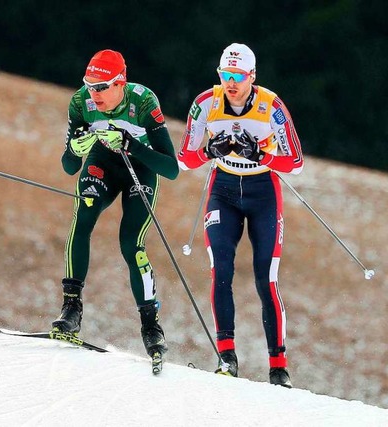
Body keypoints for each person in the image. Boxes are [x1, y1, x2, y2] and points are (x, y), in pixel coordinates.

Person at [177, 43, 304, 387]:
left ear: (252, 77)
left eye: (238, 76)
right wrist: (208, 150)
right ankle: (227, 356)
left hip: (264, 193)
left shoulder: (271, 106)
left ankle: (278, 366)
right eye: (225, 76)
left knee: (266, 279)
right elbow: (185, 160)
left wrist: (261, 156)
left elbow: (294, 163)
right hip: (224, 192)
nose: (231, 83)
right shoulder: (206, 103)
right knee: (221, 270)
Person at [52, 49, 179, 366]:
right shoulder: (81, 102)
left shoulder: (143, 101)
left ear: (120, 83)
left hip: (140, 168)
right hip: (103, 164)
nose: (94, 94)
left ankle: (151, 326)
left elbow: (171, 168)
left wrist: (131, 144)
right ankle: (71, 308)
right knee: (83, 216)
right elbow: (69, 166)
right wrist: (75, 149)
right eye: (89, 85)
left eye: (101, 87)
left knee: (130, 242)